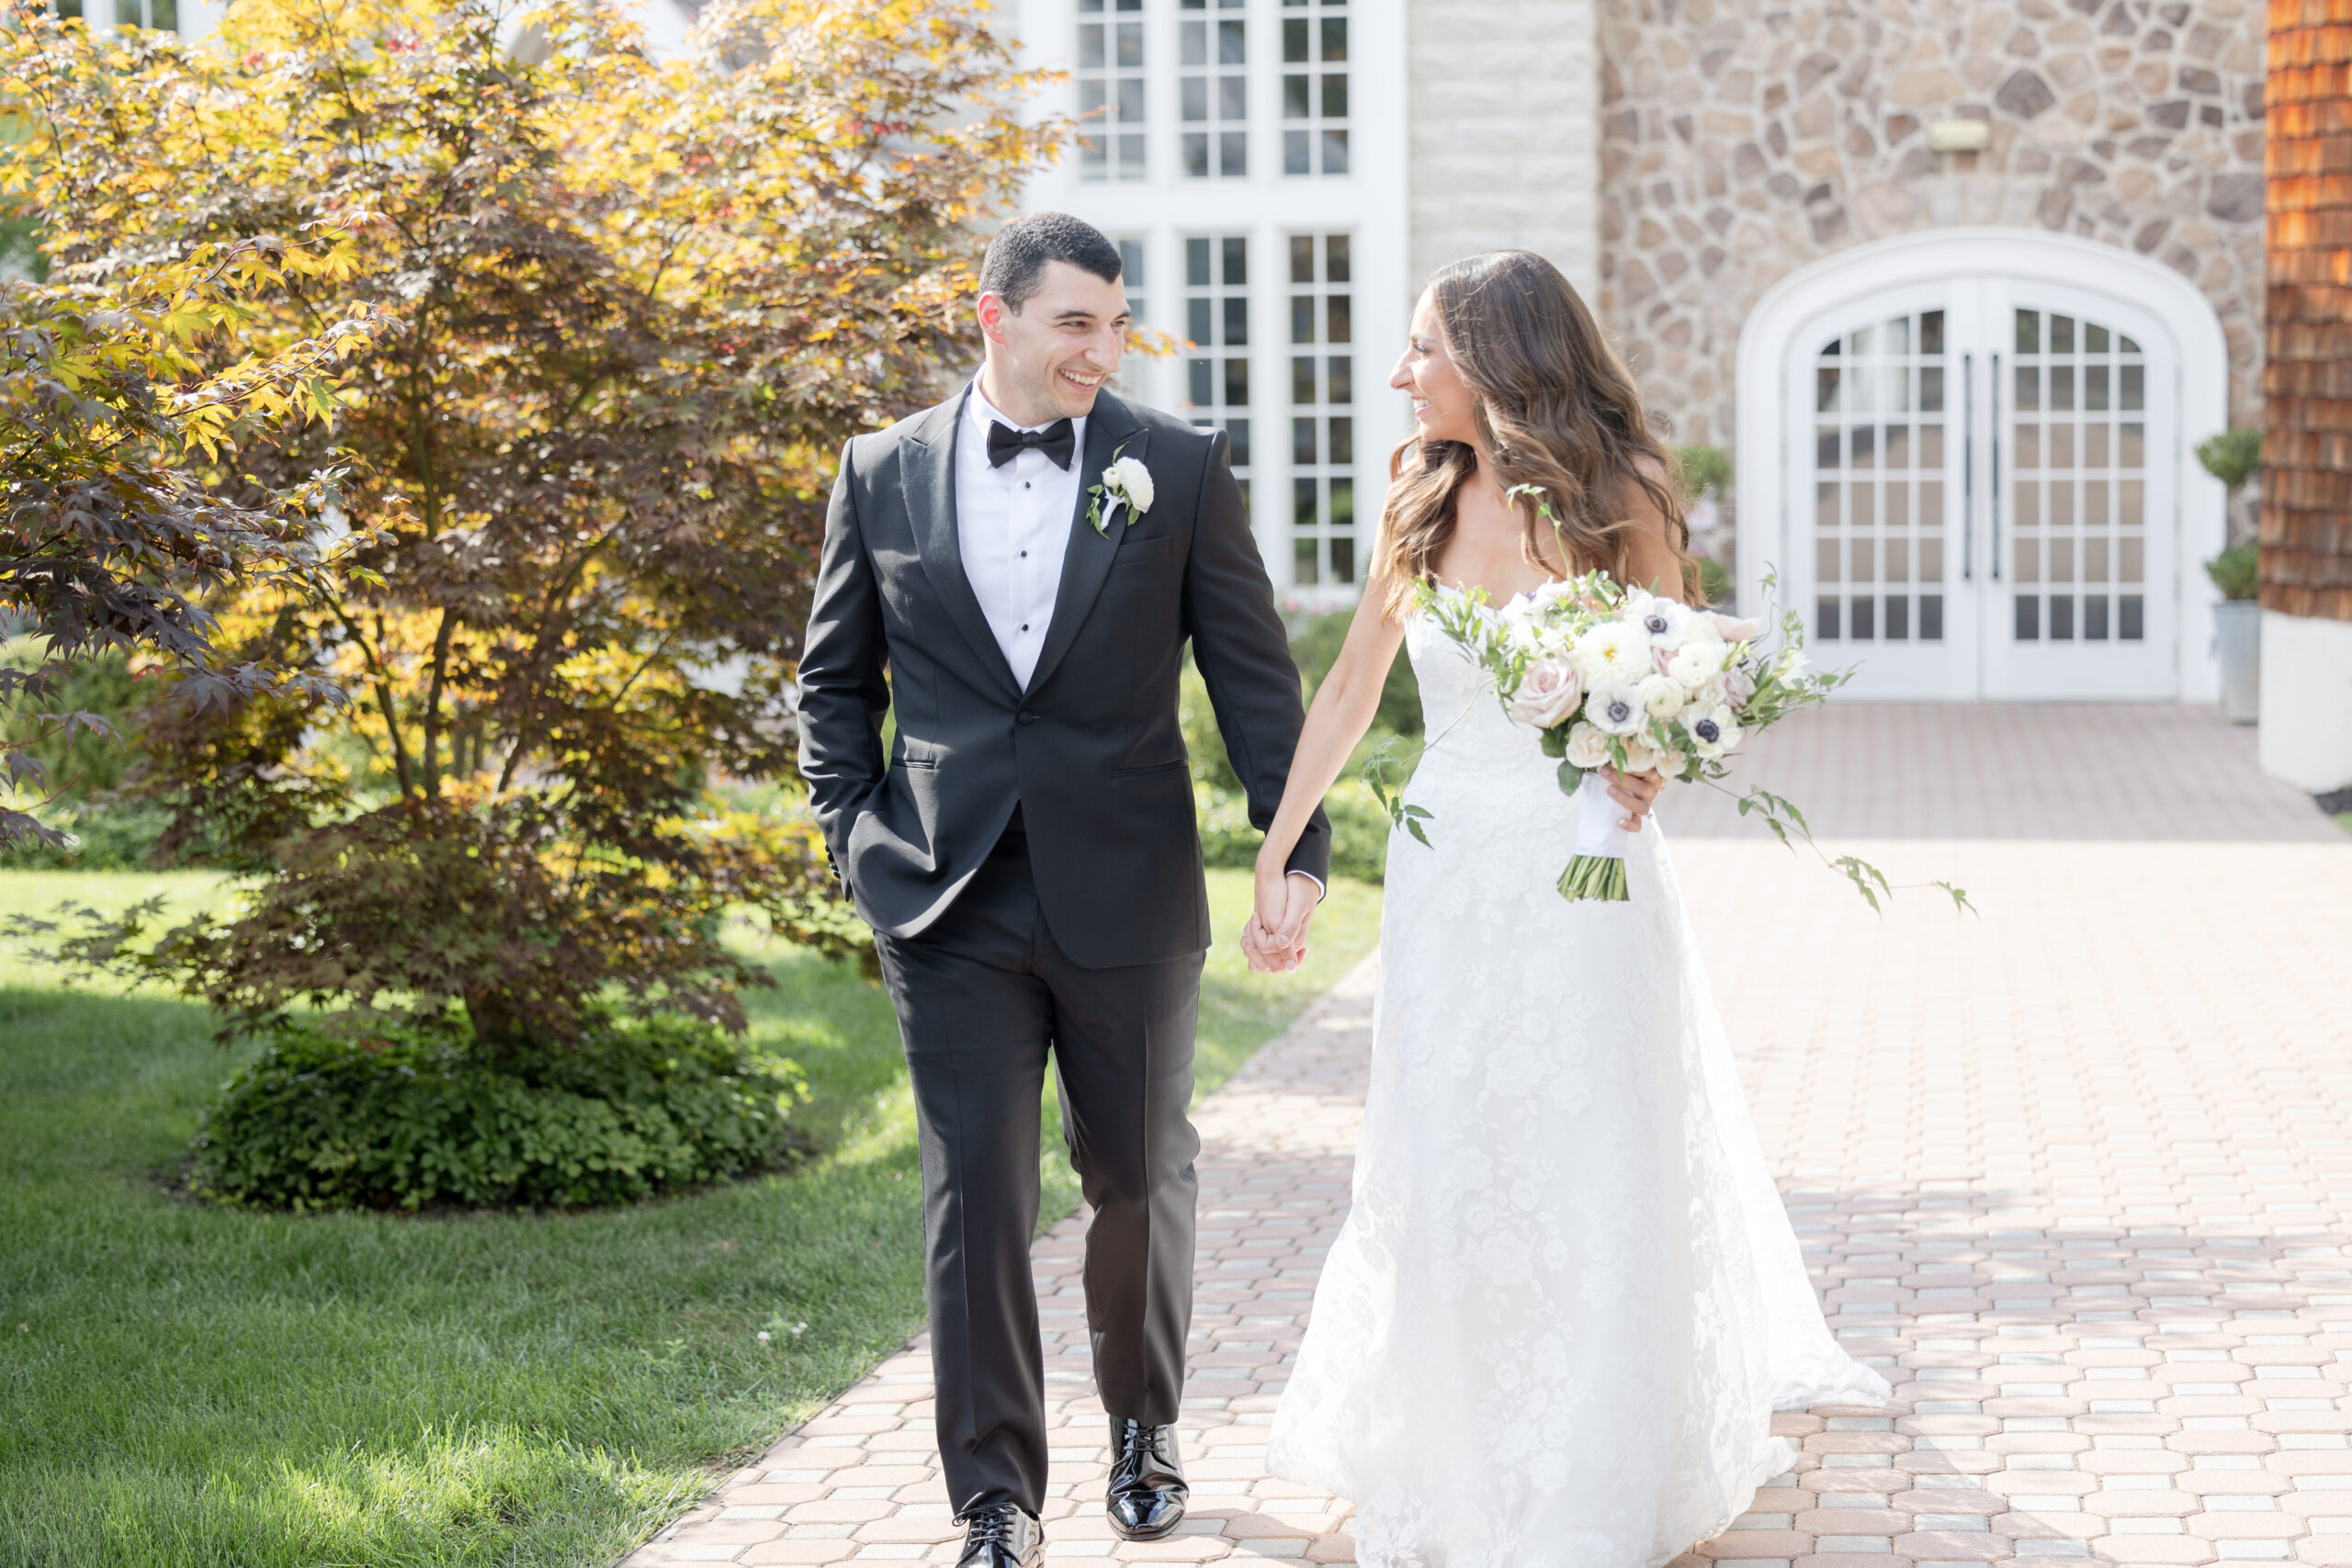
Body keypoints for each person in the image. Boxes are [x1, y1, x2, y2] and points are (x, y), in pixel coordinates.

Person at [1248, 251, 1890, 1567]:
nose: (1398, 374)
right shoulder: (1416, 497)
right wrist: (1279, 846)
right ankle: (1454, 1437)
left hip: (1583, 872)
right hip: (1448, 877)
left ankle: (1600, 1455)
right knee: (1450, 1144)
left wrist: (1647, 751)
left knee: (1591, 1142)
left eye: (1420, 347)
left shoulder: (1621, 495)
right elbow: (1353, 687)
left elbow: (1680, 662)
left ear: (1491, 356)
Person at [797, 211, 1333, 1568]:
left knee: (1141, 1174)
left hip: (1129, 890)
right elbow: (830, 685)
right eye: (1076, 323)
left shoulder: (1178, 465)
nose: (1105, 349)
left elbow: (1256, 683)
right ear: (995, 316)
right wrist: (859, 843)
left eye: (1115, 323)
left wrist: (1296, 854)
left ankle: (1145, 1424)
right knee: (973, 1193)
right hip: (946, 897)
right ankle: (995, 1498)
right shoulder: (880, 471)